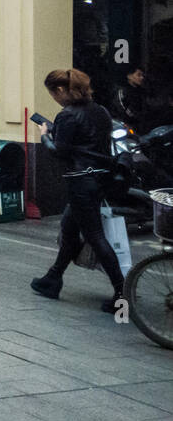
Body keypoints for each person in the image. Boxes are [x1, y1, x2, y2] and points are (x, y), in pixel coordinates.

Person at [32, 68, 128, 313]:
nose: (54, 98)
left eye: (53, 93)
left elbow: (60, 151)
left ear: (61, 90)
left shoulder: (67, 115)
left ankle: (122, 293)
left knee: (95, 236)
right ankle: (52, 278)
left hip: (81, 181)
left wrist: (45, 135)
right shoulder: (101, 111)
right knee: (69, 228)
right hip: (100, 178)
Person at [109, 66, 149, 133]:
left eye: (142, 75)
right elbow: (122, 108)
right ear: (129, 76)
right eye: (138, 75)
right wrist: (136, 117)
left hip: (140, 123)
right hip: (126, 124)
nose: (142, 78)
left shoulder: (141, 90)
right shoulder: (122, 91)